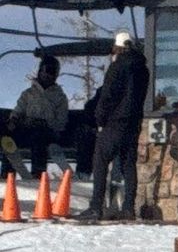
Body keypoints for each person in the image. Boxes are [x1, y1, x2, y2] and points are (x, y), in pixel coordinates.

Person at [78, 31, 149, 221]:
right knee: (128, 164)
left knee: (100, 160)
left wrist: (100, 119)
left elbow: (108, 96)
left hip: (114, 122)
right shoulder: (143, 69)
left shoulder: (117, 67)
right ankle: (128, 208)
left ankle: (96, 206)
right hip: (134, 123)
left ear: (117, 48)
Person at [2, 55, 68, 179]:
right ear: (40, 71)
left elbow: (61, 121)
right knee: (10, 137)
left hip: (47, 134)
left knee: (39, 136)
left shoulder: (59, 97)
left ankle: (38, 174)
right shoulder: (29, 94)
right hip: (27, 130)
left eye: (52, 72)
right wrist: (14, 120)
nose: (48, 75)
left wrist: (46, 124)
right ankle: (7, 174)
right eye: (46, 70)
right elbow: (18, 110)